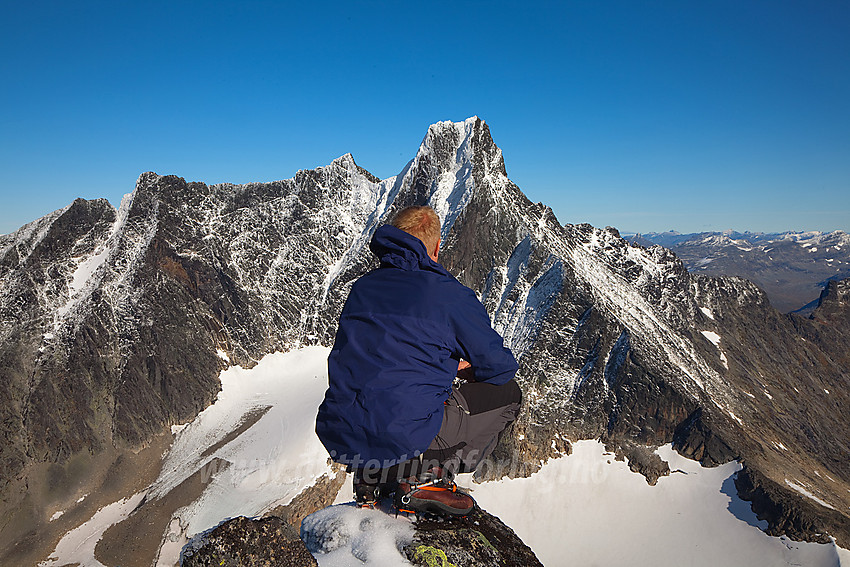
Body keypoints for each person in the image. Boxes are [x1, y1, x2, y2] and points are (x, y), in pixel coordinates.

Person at [315, 205, 521, 516]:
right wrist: (463, 367)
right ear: (437, 247)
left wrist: (447, 364)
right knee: (508, 393)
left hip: (344, 435)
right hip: (402, 433)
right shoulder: (448, 295)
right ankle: (424, 476)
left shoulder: (362, 288)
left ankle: (374, 477)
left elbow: (379, 355)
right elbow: (500, 366)